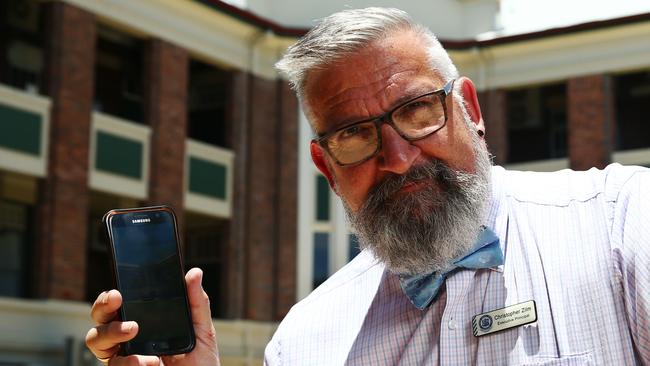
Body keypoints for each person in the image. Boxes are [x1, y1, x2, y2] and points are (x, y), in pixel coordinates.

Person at [86, 7, 650, 365]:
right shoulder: (305, 340)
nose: (400, 159)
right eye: (356, 136)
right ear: (326, 167)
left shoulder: (620, 222)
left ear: (469, 109)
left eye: (418, 110)